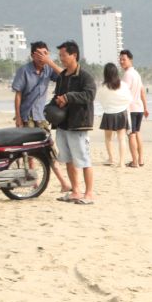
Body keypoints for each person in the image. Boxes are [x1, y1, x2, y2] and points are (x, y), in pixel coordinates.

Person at [10, 41, 70, 193]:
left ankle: (63, 183)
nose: (42, 57)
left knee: (48, 149)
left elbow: (64, 77)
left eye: (45, 53)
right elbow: (18, 95)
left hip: (40, 116)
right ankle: (34, 181)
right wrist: (18, 117)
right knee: (29, 152)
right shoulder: (24, 71)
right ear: (32, 55)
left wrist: (49, 62)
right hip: (26, 116)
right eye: (39, 54)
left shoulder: (48, 69)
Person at [51, 40, 97, 204]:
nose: (61, 58)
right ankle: (76, 191)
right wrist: (54, 104)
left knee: (84, 160)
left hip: (78, 124)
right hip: (63, 124)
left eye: (64, 55)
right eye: (60, 56)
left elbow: (89, 96)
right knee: (68, 159)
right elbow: (57, 95)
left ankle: (89, 193)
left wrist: (69, 97)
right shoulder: (62, 77)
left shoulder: (85, 76)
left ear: (74, 55)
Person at [97, 63, 131, 166]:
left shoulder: (103, 87)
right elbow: (129, 99)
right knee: (122, 138)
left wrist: (108, 106)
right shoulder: (123, 85)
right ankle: (121, 162)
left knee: (108, 138)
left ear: (105, 74)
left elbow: (100, 99)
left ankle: (111, 159)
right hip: (121, 113)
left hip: (108, 113)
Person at [118, 49, 149, 167]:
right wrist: (145, 108)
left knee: (131, 134)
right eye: (120, 59)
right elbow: (142, 92)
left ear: (130, 60)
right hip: (139, 108)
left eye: (124, 59)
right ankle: (140, 160)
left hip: (130, 109)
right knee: (137, 133)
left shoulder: (127, 75)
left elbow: (123, 93)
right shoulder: (136, 73)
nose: (121, 61)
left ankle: (135, 161)